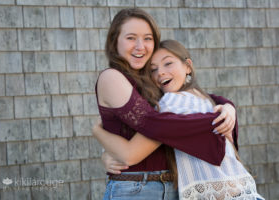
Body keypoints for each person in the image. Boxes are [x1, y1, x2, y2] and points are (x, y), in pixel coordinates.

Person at [94, 8, 238, 200]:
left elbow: (193, 98)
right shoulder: (112, 77)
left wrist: (227, 106)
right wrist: (97, 132)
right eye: (130, 38)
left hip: (174, 187)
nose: (140, 46)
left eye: (147, 38)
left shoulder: (152, 79)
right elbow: (156, 125)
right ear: (114, 41)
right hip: (136, 188)